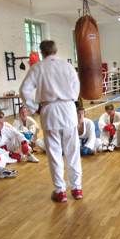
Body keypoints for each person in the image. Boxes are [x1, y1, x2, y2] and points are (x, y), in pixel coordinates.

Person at [20, 40, 82, 203]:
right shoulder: (67, 66)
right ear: (55, 50)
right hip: (68, 108)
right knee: (72, 152)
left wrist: (34, 108)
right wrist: (70, 99)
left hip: (49, 110)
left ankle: (60, 191)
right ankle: (77, 188)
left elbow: (24, 90)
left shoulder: (38, 67)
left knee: (54, 153)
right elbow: (76, 87)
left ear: (42, 53)